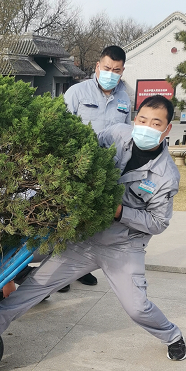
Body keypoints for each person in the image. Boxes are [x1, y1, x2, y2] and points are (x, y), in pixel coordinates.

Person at [0, 95, 186, 361]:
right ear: (134, 119)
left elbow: (158, 222)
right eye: (142, 120)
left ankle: (172, 335)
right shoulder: (116, 134)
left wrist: (121, 212)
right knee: (36, 285)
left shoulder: (166, 175)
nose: (147, 128)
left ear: (167, 129)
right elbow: (84, 150)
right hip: (83, 237)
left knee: (137, 308)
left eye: (156, 123)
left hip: (123, 247)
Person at [60, 44, 132, 289]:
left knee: (92, 222)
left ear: (122, 71)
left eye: (116, 70)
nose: (111, 73)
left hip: (107, 172)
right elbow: (60, 126)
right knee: (68, 220)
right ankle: (58, 273)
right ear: (98, 66)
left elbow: (127, 134)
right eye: (107, 68)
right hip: (78, 168)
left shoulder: (125, 98)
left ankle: (80, 269)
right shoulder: (77, 92)